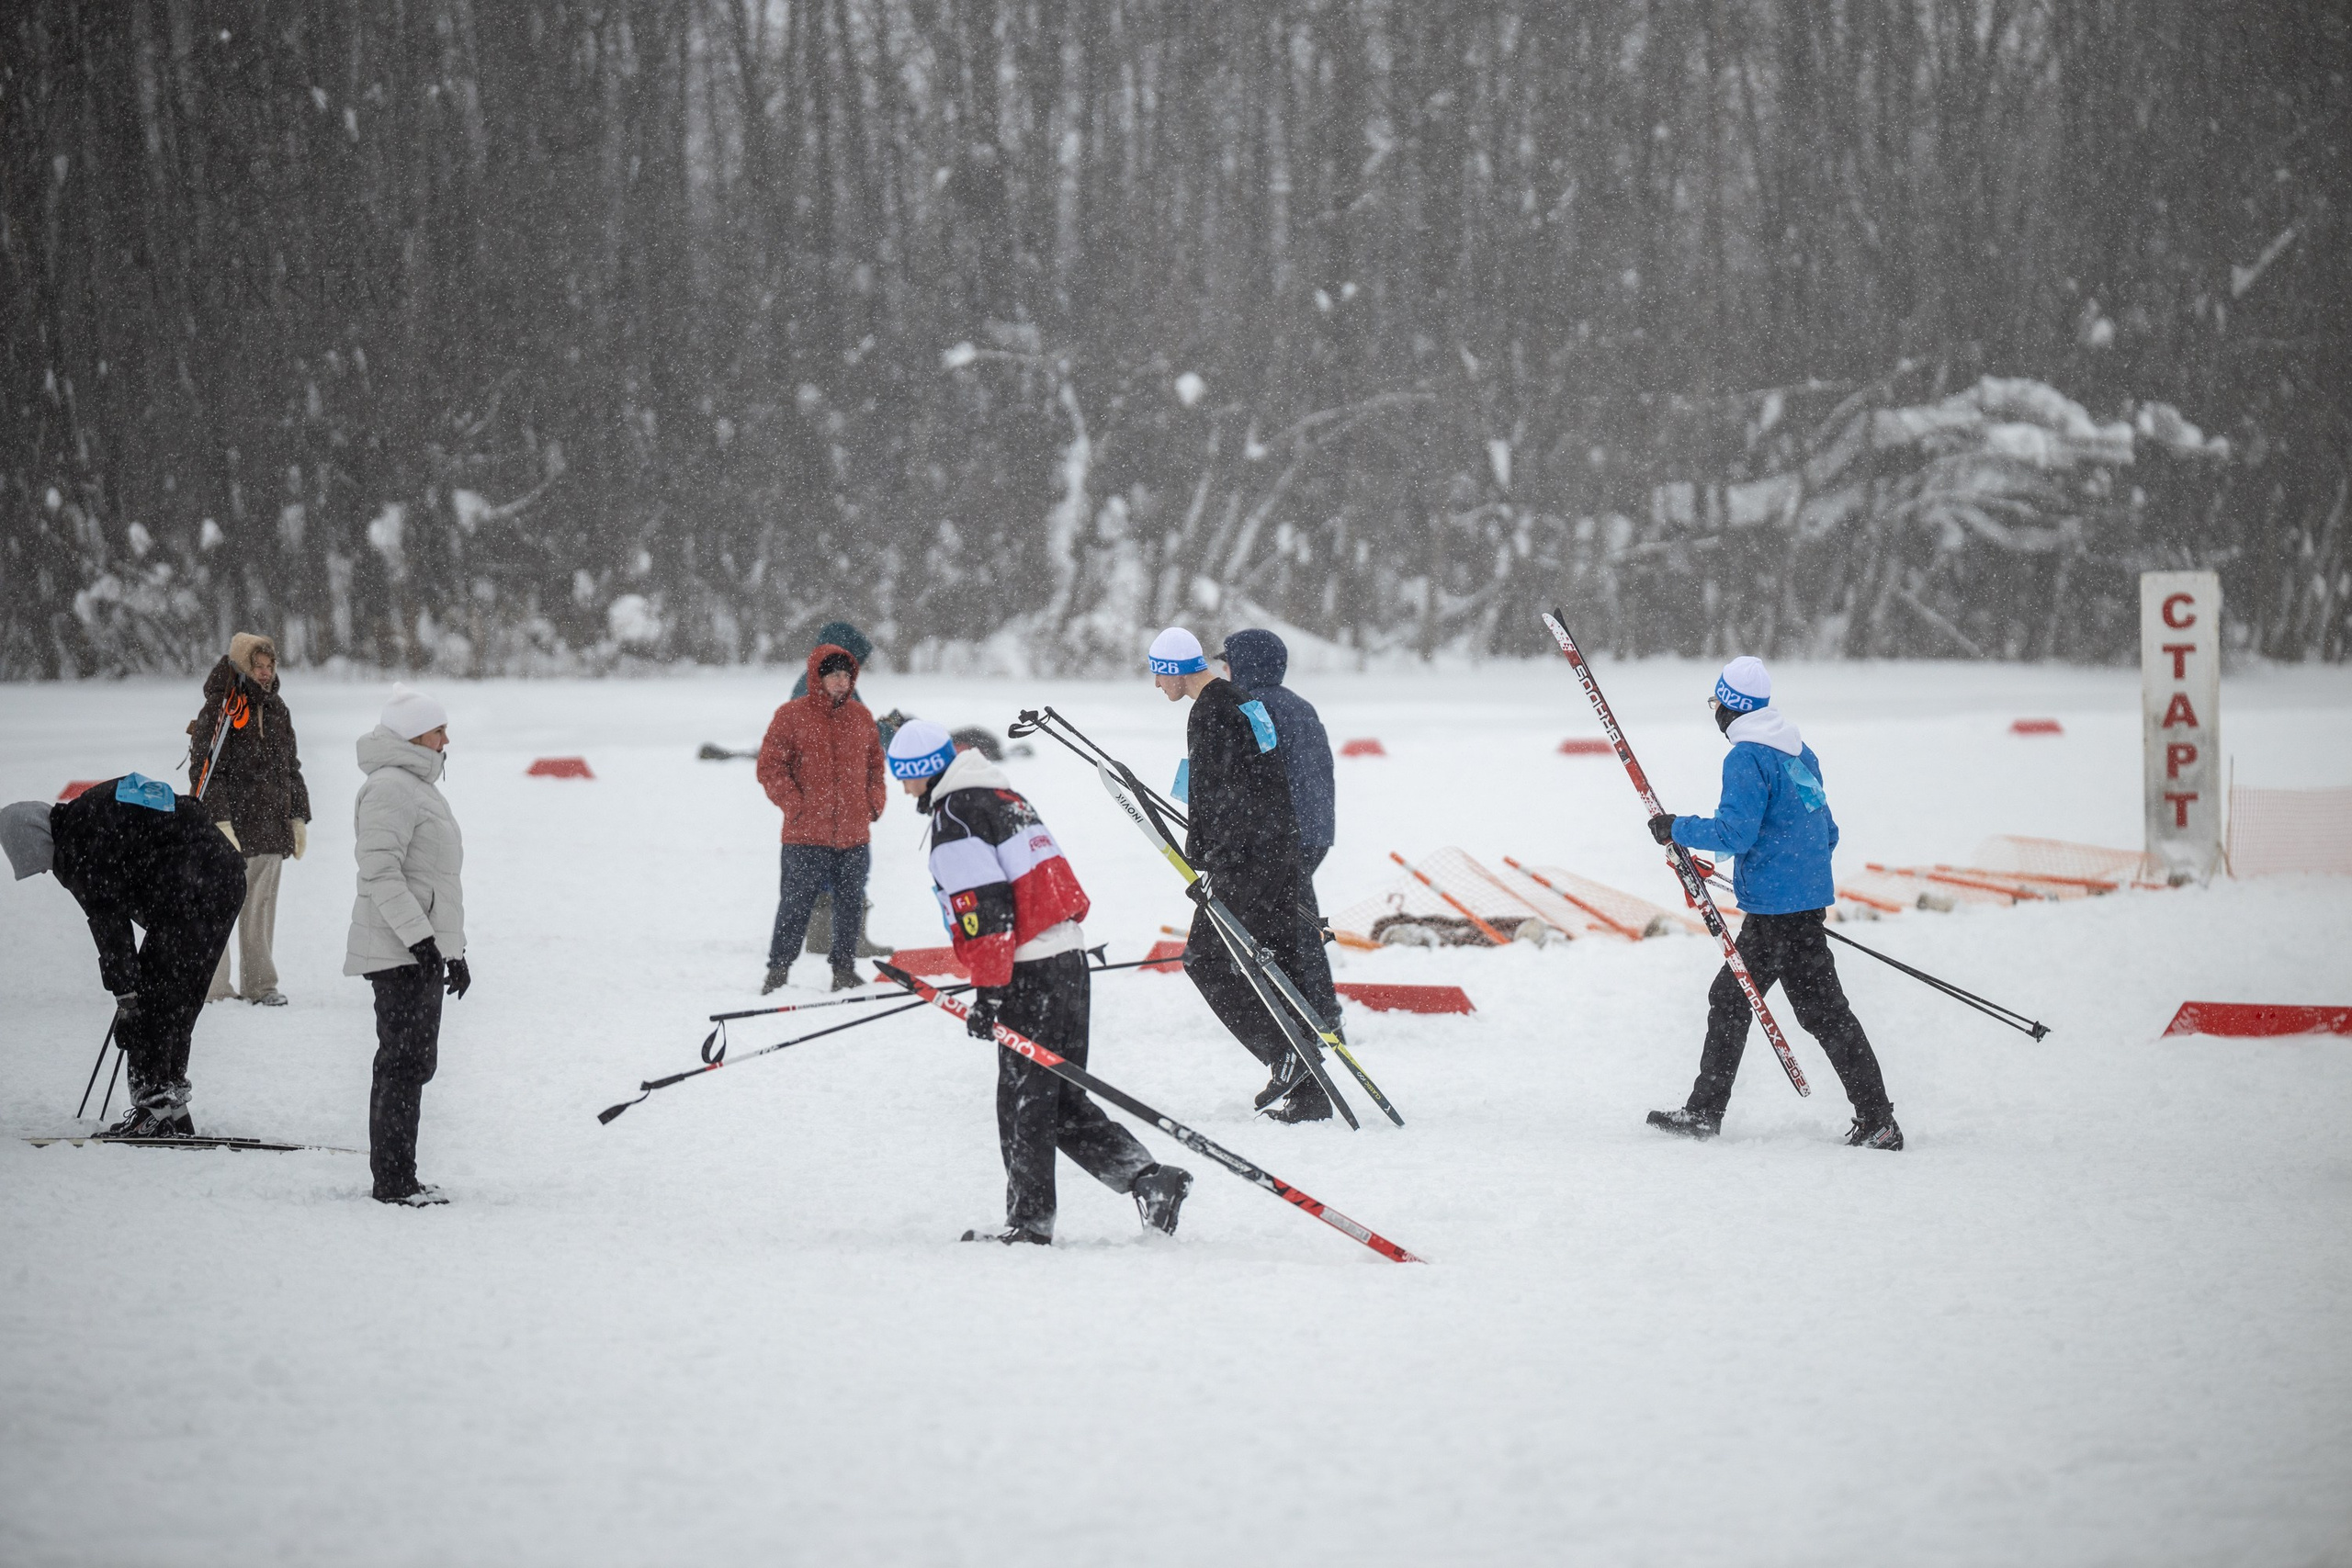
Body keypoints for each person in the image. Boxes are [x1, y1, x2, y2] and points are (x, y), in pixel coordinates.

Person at [887, 719, 1192, 1245]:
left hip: (1029, 970)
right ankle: (1150, 1181)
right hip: (1068, 958)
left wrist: (990, 992)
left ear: (920, 772)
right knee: (1062, 1100)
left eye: (903, 777)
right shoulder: (1005, 797)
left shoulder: (956, 818)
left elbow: (986, 910)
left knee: (1024, 1100)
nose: (902, 789)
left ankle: (1028, 1224)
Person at [1644, 657, 1902, 1149]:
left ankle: (1708, 1112)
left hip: (1776, 914)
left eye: (1716, 704)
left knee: (1784, 1006)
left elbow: (1733, 833)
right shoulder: (1799, 753)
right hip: (1796, 909)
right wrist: (1796, 887)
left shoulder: (1745, 757)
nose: (1714, 713)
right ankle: (1873, 1119)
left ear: (1730, 709)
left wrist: (1675, 828)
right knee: (1797, 1008)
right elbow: (1827, 833)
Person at [1148, 626, 1331, 1122]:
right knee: (1280, 964)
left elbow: (1216, 794)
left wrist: (1206, 861)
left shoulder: (1208, 712)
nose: (1156, 686)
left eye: (1156, 674)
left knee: (1206, 960)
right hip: (1280, 853)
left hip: (1247, 860)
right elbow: (1259, 780)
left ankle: (1284, 1055)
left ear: (1171, 669)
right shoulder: (1246, 701)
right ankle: (1311, 1095)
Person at [2, 775, 245, 1136]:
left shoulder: (78, 844)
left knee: (151, 1001)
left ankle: (155, 1108)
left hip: (191, 889)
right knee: (179, 999)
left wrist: (126, 995)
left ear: (36, 840)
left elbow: (109, 923)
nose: (44, 871)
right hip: (222, 877)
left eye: (38, 864)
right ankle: (170, 1102)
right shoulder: (92, 812)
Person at [345, 684, 472, 1206]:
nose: (447, 738)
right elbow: (379, 870)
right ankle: (392, 1182)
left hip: (417, 950)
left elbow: (437, 880)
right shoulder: (392, 788)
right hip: (397, 950)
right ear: (413, 733)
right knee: (401, 1062)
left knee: (415, 1063)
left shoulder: (417, 785)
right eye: (439, 729)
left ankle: (404, 1175)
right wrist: (420, 940)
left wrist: (454, 950)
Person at [1219, 627, 1342, 1033]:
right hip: (1315, 832)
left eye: (1229, 661)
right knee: (1298, 920)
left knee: (1281, 927)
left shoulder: (1250, 707)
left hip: (1279, 836)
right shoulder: (1299, 705)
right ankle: (1320, 1013)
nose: (1224, 668)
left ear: (1244, 665)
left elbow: (1239, 775)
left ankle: (1306, 1016)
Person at [188, 631, 311, 1007]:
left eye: (269, 666)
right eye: (257, 666)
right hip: (229, 831)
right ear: (241, 666)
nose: (264, 673)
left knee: (260, 910)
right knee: (218, 910)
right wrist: (220, 822)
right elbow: (205, 771)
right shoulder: (220, 711)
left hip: (271, 830)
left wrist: (298, 816)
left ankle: (260, 985)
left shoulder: (278, 709)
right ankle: (213, 987)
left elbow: (290, 768)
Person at [758, 641, 888, 993]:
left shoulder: (860, 716)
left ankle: (843, 970)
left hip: (854, 834)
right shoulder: (791, 715)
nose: (841, 682)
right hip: (805, 835)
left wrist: (873, 804)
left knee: (850, 904)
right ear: (817, 677)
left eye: (846, 675)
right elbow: (770, 767)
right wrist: (795, 806)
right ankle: (779, 971)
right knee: (795, 906)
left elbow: (876, 765)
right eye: (833, 675)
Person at [787, 619, 895, 963]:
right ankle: (848, 938)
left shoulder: (810, 683)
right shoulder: (827, 686)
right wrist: (889, 732)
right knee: (849, 864)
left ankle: (822, 936)